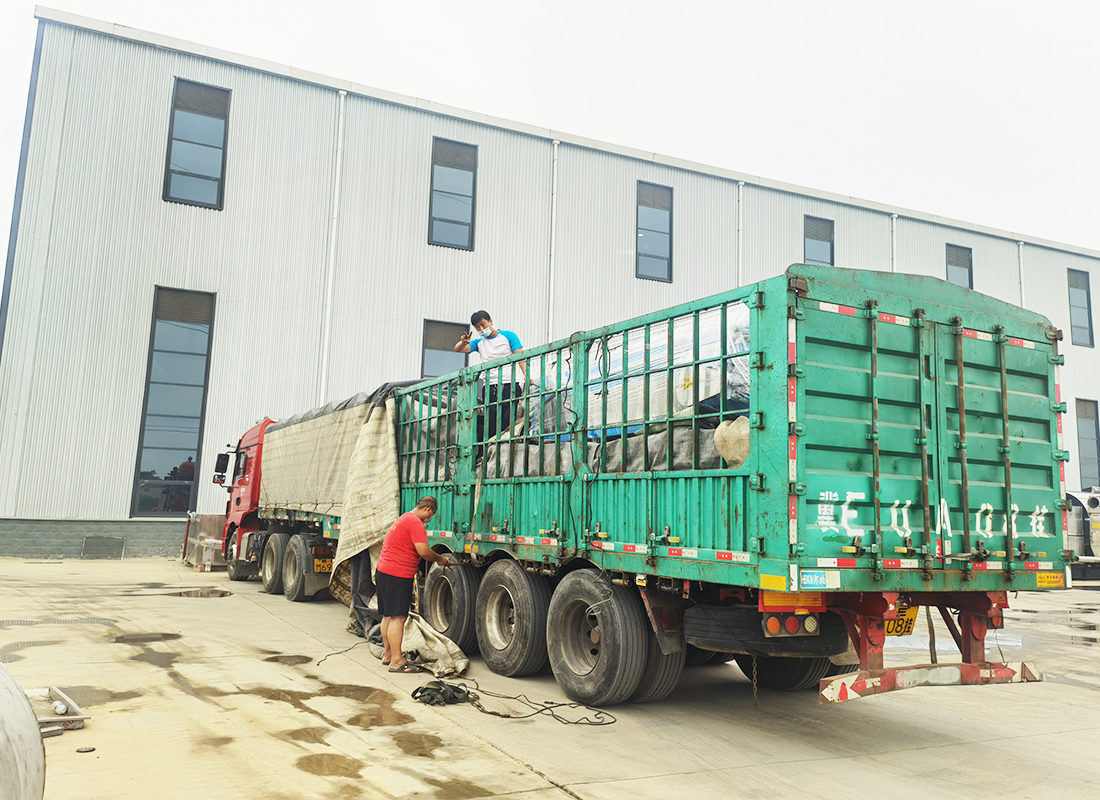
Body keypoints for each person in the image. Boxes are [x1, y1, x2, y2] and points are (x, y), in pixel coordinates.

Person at [374, 496, 453, 673]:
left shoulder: (403, 518)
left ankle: (388, 655)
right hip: (397, 574)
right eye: (432, 514)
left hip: (384, 571)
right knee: (398, 617)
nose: (430, 518)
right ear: (428, 510)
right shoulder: (415, 523)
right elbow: (423, 551)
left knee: (388, 615)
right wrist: (440, 559)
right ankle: (396, 661)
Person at [454, 311, 526, 444]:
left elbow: (521, 356)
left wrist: (527, 376)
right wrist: (463, 342)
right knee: (491, 421)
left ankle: (507, 448)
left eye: (483, 324)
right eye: (477, 327)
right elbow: (458, 349)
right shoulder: (479, 343)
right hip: (490, 387)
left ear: (490, 321)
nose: (481, 329)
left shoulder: (508, 336)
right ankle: (492, 449)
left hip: (509, 383)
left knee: (508, 419)